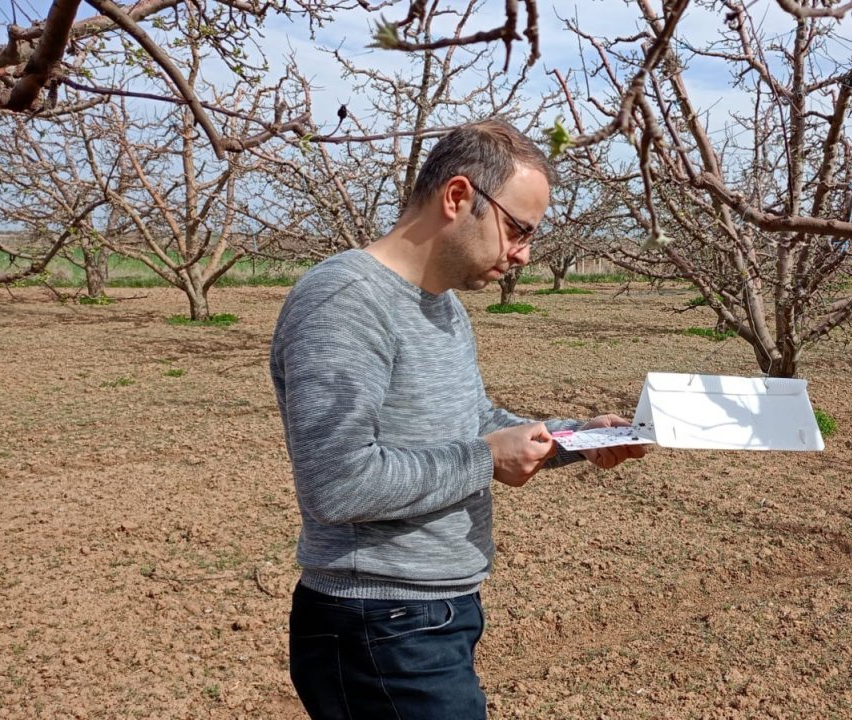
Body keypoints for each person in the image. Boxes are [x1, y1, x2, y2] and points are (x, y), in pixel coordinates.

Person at [268, 119, 646, 719]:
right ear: (458, 197)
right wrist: (485, 458)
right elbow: (338, 484)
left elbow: (473, 420)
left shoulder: (442, 306)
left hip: (430, 616)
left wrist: (579, 437)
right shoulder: (344, 301)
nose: (523, 254)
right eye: (519, 230)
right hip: (379, 626)